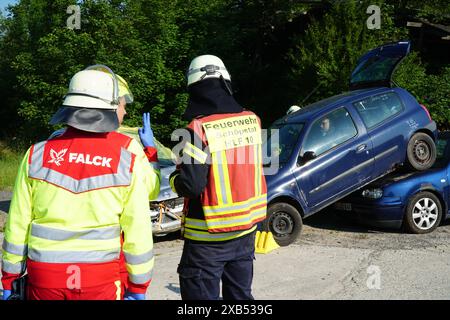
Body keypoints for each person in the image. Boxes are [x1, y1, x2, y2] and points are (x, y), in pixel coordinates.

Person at [1, 65, 159, 300]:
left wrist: (9, 278)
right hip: (100, 278)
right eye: (123, 106)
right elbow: (138, 227)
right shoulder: (127, 156)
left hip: (45, 278)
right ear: (110, 106)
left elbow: (18, 223)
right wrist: (138, 286)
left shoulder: (36, 154)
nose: (125, 113)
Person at [169, 55, 267, 300]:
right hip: (245, 231)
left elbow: (191, 185)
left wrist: (173, 177)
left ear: (195, 89)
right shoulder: (252, 120)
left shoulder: (197, 129)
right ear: (225, 82)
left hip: (207, 237)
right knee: (240, 298)